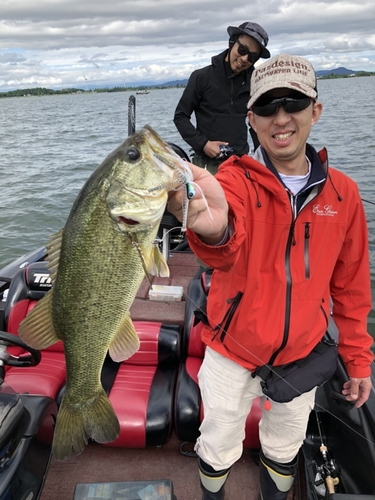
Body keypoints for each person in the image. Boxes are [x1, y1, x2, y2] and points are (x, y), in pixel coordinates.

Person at [168, 53, 374, 500]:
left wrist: (359, 360)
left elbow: (352, 288)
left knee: (283, 446)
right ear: (251, 119)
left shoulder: (345, 193)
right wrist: (213, 228)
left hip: (302, 353)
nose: (280, 118)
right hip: (230, 348)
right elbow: (224, 241)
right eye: (266, 107)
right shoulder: (235, 181)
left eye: (293, 103)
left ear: (314, 111)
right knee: (217, 444)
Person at [173, 22, 270, 174]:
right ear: (231, 42)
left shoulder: (255, 82)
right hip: (207, 165)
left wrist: (266, 160)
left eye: (252, 57)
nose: (244, 58)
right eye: (242, 49)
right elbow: (180, 117)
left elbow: (257, 124)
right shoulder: (201, 77)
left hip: (241, 163)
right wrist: (204, 144)